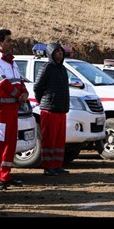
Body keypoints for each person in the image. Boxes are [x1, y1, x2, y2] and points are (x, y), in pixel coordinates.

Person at [0, 29, 29, 190]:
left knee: (10, 142)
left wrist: (24, 92)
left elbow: (18, 79)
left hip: (12, 108)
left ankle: (5, 175)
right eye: (8, 40)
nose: (11, 43)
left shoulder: (11, 61)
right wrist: (18, 94)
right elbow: (2, 83)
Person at [33, 42, 70, 176]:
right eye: (57, 52)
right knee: (49, 140)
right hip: (49, 110)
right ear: (50, 53)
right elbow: (37, 87)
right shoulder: (47, 67)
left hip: (61, 110)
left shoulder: (63, 69)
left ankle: (57, 165)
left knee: (59, 141)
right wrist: (43, 101)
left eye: (61, 51)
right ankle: (48, 167)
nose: (60, 53)